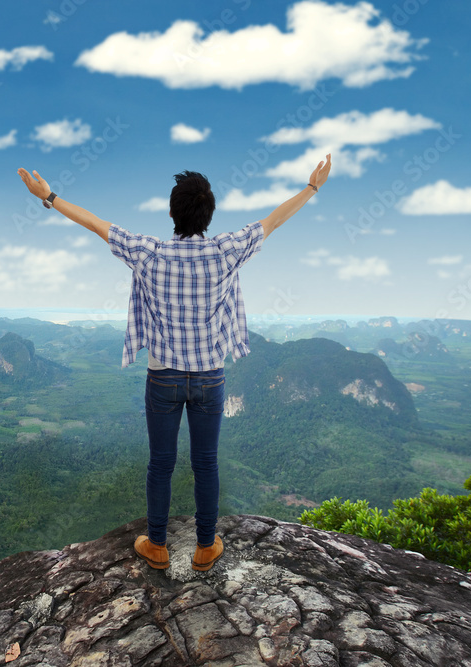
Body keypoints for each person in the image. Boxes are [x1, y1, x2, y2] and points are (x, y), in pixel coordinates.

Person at [17, 154, 332, 571]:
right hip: (209, 379)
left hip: (163, 378)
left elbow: (94, 223)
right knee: (206, 462)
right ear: (209, 214)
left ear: (172, 213)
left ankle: (159, 546)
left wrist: (50, 196)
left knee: (160, 463)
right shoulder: (226, 250)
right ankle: (205, 547)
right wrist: (312, 187)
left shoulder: (149, 252)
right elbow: (273, 221)